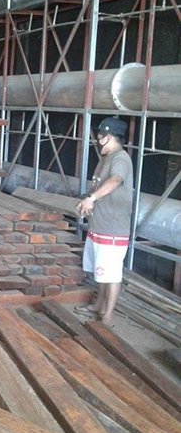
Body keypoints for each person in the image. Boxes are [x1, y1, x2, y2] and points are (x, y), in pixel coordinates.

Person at [76, 117, 133, 326]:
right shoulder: (105, 159)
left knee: (111, 273)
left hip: (112, 228)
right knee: (100, 270)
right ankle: (99, 304)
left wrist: (92, 198)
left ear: (107, 137)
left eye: (99, 136)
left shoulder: (120, 159)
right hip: (98, 226)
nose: (97, 139)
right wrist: (86, 199)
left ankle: (108, 316)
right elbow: (99, 186)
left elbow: (115, 181)